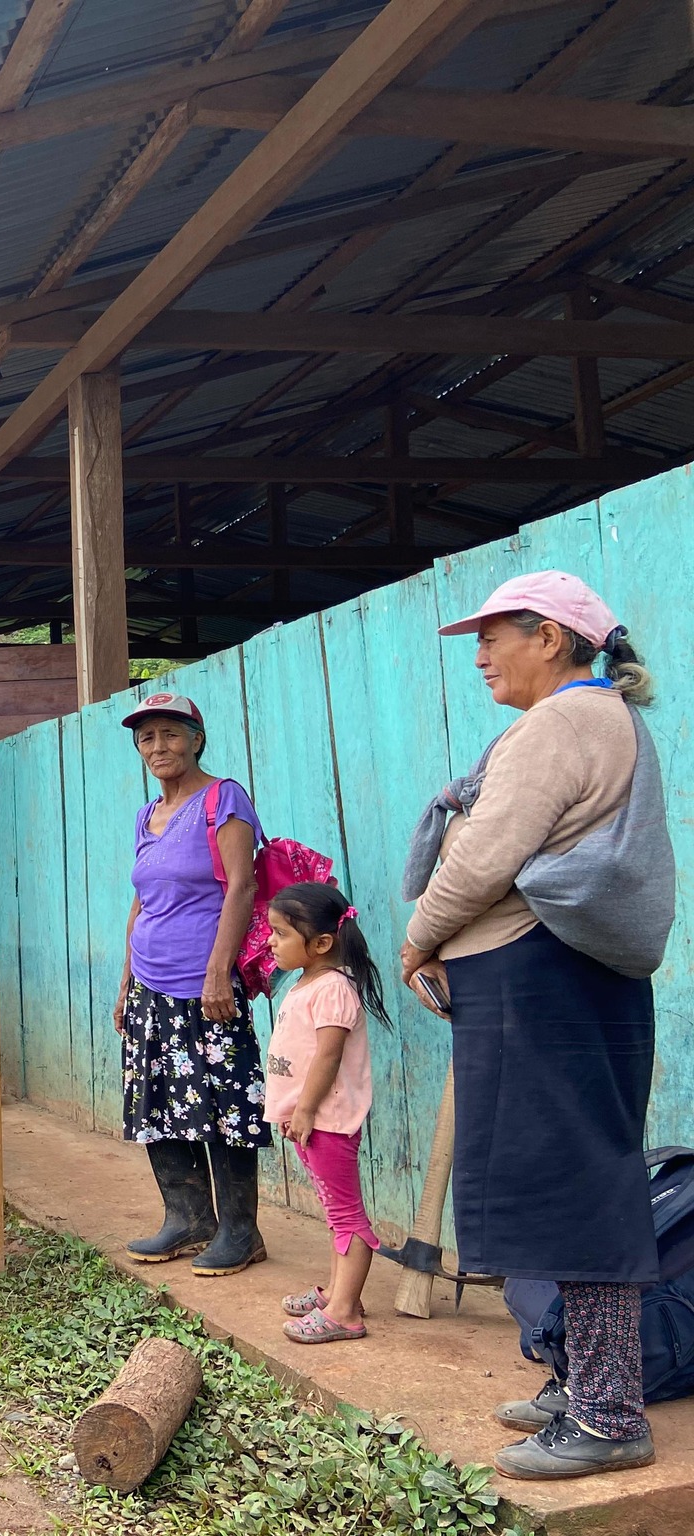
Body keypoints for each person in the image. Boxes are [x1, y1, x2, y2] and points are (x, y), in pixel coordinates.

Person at [400, 572, 670, 1481]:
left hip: (543, 977)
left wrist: (416, 936)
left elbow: (482, 856)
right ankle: (576, 1379)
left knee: (574, 1183)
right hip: (555, 978)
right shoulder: (594, 719)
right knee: (562, 1176)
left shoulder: (561, 722)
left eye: (494, 637)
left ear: (550, 637)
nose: (479, 656)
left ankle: (606, 1415)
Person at [111, 692, 270, 1278]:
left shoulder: (222, 799)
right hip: (150, 984)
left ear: (196, 738)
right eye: (147, 738)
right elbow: (141, 902)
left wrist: (217, 972)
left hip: (205, 985)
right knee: (157, 1102)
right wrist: (126, 982)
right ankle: (186, 1218)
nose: (159, 747)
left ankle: (240, 1231)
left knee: (225, 1105)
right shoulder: (145, 816)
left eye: (171, 734)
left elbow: (241, 888)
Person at [264, 882, 388, 1346]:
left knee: (348, 1217)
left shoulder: (333, 989)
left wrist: (307, 1110)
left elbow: (328, 1058)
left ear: (320, 944)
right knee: (337, 1215)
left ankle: (345, 1313)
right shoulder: (307, 982)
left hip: (327, 1121)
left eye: (280, 934)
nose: (270, 942)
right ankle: (338, 1293)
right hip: (311, 1122)